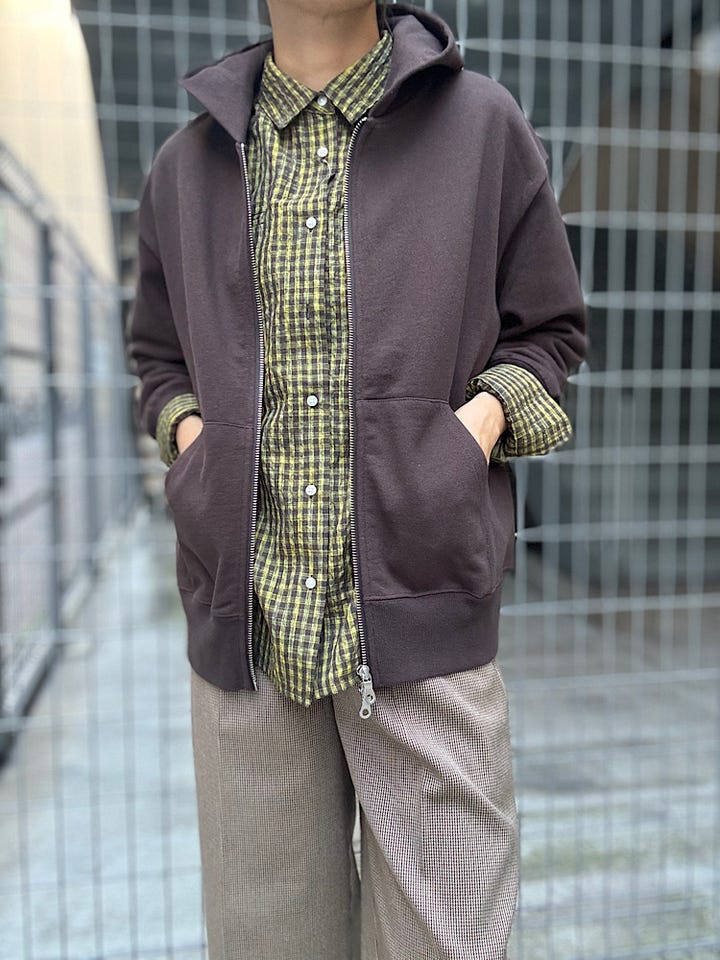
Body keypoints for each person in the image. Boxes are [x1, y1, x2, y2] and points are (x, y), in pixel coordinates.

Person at [126, 1, 587, 957]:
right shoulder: (186, 166)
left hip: (424, 618)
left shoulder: (482, 127)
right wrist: (195, 444)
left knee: (447, 940)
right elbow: (158, 360)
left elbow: (549, 331)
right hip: (248, 632)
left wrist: (465, 438)